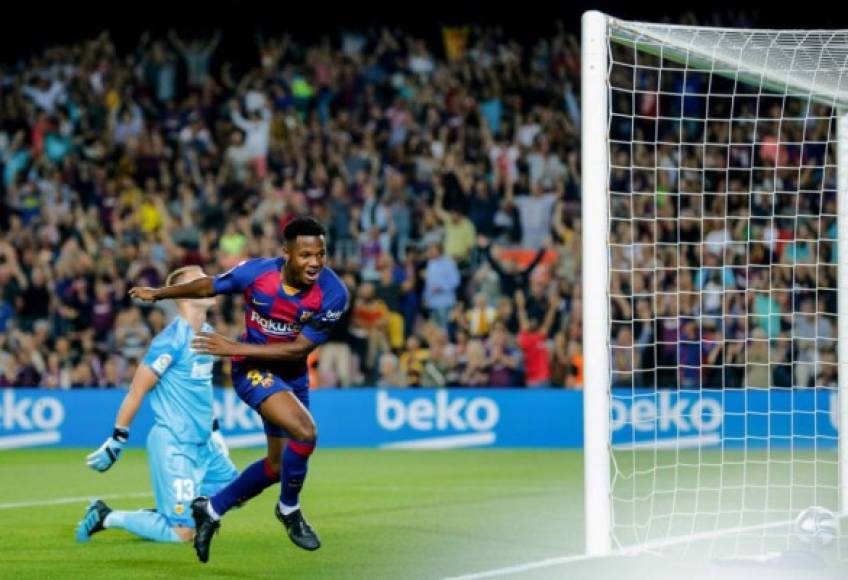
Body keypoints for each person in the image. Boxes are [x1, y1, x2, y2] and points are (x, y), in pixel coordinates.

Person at [128, 217, 349, 563]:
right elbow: (208, 286)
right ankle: (289, 510)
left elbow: (298, 350)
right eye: (306, 255)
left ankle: (210, 510)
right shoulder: (257, 274)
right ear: (286, 253)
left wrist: (233, 346)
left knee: (277, 467)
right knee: (305, 432)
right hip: (253, 369)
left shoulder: (333, 293)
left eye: (321, 254)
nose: (315, 263)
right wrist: (160, 294)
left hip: (289, 372)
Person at [75, 265, 238, 544]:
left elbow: (201, 389)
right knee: (182, 532)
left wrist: (215, 431)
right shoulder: (170, 341)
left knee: (235, 490)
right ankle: (105, 516)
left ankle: (168, 512)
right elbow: (137, 390)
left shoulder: (208, 333)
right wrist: (118, 439)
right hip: (175, 443)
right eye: (199, 280)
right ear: (184, 294)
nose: (208, 281)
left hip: (203, 443)